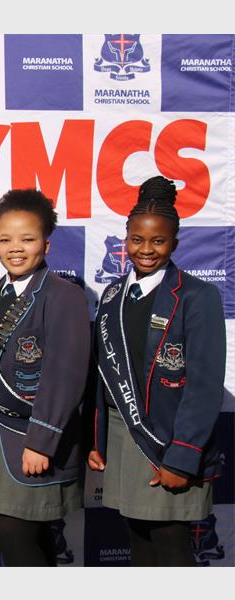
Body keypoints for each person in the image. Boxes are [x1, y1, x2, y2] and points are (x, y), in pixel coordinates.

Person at [88, 176, 224, 566]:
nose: (146, 249)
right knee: (138, 542)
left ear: (175, 244)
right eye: (137, 240)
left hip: (169, 441)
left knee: (170, 544)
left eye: (158, 241)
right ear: (125, 240)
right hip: (123, 437)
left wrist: (182, 457)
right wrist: (98, 440)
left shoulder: (198, 296)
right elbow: (104, 374)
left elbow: (204, 385)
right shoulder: (112, 294)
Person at [0, 189, 88, 566]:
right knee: (25, 538)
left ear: (46, 244)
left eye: (27, 239)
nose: (15, 248)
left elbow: (66, 374)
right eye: (5, 239)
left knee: (15, 536)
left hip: (34, 437)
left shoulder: (64, 295)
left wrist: (41, 440)